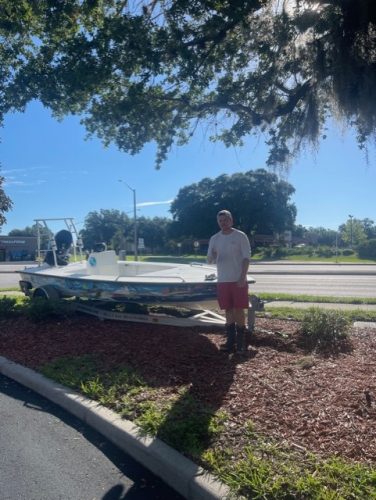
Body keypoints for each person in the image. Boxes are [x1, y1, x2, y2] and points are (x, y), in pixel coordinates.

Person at [207, 210, 251, 353]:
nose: (223, 223)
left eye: (225, 220)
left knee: (239, 310)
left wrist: (242, 276)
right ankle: (230, 342)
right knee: (228, 310)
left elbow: (246, 258)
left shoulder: (240, 236)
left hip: (238, 279)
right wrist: (212, 256)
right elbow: (209, 259)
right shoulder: (214, 238)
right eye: (220, 221)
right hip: (223, 280)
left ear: (231, 220)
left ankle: (241, 344)